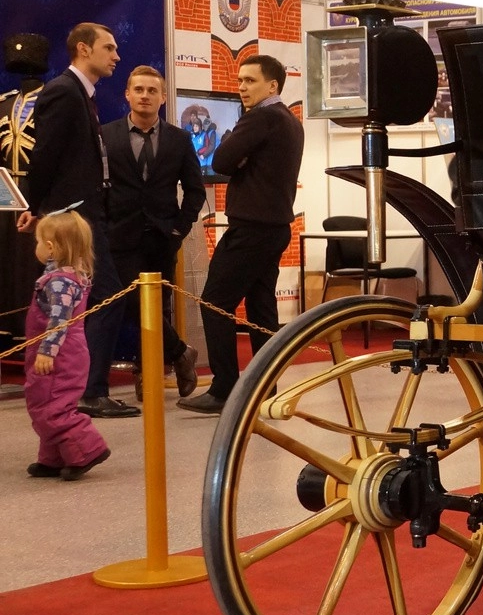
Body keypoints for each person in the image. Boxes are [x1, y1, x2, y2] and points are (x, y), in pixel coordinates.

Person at [16, 23, 138, 418]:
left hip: (85, 214)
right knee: (107, 296)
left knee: (100, 297)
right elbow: (45, 155)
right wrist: (33, 206)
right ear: (84, 49)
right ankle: (90, 390)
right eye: (109, 48)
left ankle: (84, 388)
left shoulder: (79, 93)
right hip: (73, 217)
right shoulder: (63, 92)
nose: (116, 56)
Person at [178, 55, 303, 414]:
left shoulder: (260, 117)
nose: (242, 88)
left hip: (250, 229)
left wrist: (233, 141)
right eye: (240, 81)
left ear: (272, 85)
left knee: (214, 303)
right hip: (274, 227)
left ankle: (223, 389)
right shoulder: (290, 121)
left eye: (250, 81)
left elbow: (220, 161)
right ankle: (265, 387)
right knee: (262, 310)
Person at [101, 65, 205, 396]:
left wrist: (179, 230)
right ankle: (180, 352)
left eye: (151, 90)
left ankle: (148, 373)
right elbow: (96, 187)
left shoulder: (179, 139)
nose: (145, 95)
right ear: (127, 94)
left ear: (162, 97)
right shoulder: (105, 135)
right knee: (134, 302)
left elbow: (195, 191)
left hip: (163, 238)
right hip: (120, 236)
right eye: (138, 89)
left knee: (157, 307)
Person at [24, 210, 111, 481]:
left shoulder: (60, 282)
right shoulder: (63, 276)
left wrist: (47, 351)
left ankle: (87, 449)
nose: (37, 247)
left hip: (59, 355)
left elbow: (59, 320)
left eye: (39, 242)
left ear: (50, 248)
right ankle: (53, 457)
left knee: (54, 406)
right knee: (42, 401)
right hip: (58, 351)